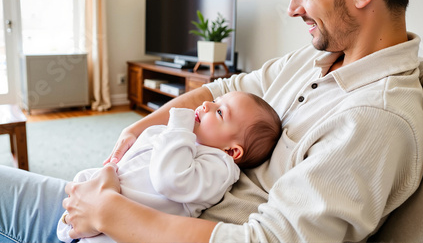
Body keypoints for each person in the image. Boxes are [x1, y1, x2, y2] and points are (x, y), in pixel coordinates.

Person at [0, 0, 423, 242]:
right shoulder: (313, 60)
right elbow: (222, 88)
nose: (294, 7)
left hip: (130, 227)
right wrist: (136, 130)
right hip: (131, 202)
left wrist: (107, 212)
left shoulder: (372, 120)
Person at [57, 91, 281, 242]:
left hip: (119, 231)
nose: (207, 104)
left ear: (232, 151)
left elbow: (170, 180)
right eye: (216, 100)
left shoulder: (219, 166)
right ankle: (72, 224)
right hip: (97, 206)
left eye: (220, 112)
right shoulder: (192, 141)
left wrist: (180, 127)